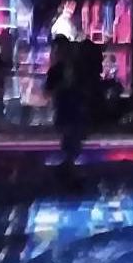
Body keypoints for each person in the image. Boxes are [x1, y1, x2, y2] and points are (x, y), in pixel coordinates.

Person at [45, 36, 84, 183]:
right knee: (69, 135)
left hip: (74, 107)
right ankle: (68, 166)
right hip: (64, 107)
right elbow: (48, 91)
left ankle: (69, 165)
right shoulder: (56, 70)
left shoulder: (77, 68)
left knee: (73, 136)